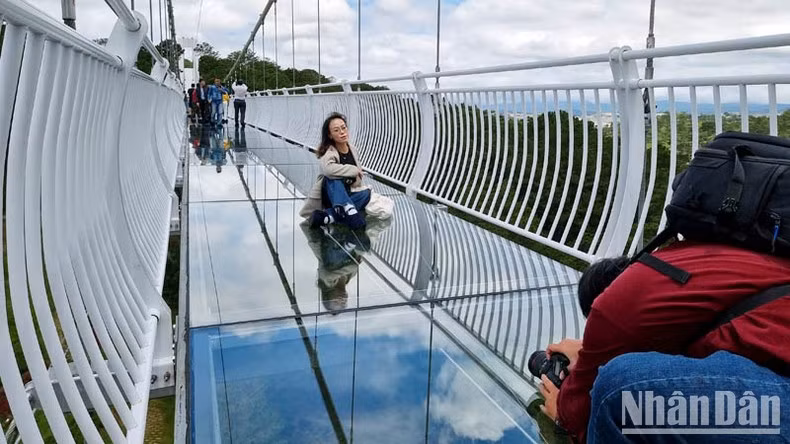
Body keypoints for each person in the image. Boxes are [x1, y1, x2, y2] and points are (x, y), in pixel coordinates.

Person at [539, 242, 790, 443]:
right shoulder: (684, 266)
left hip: (779, 401)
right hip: (773, 383)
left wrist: (563, 415)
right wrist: (589, 352)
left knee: (618, 389)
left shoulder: (613, 306)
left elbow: (574, 413)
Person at [300, 112, 370, 230]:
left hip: (347, 192)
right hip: (332, 194)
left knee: (367, 193)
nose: (342, 132)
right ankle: (347, 207)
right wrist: (353, 170)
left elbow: (357, 180)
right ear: (330, 135)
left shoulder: (353, 149)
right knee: (333, 178)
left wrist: (354, 177)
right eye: (336, 130)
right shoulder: (330, 151)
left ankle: (329, 216)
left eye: (343, 128)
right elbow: (328, 170)